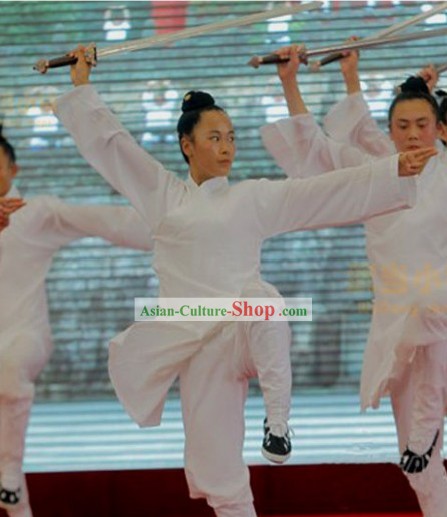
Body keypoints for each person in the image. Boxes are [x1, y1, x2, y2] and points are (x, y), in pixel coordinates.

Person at [53, 45, 433, 517]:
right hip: (193, 339)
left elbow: (318, 192)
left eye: (231, 137)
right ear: (187, 145)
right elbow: (113, 146)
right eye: (214, 137)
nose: (228, 146)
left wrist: (394, 169)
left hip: (243, 325)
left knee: (268, 308)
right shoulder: (162, 195)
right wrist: (82, 84)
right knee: (221, 477)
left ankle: (278, 423)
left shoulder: (250, 197)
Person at [261, 44, 447, 517]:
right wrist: (291, 82)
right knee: (415, 462)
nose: (411, 135)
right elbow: (319, 151)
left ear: (439, 127)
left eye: (421, 124)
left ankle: (426, 431)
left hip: (440, 315)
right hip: (395, 324)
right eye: (401, 126)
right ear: (389, 132)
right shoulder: (376, 172)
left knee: (432, 325)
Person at [0, 126, 153, 517]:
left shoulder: (38, 213)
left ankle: (9, 474)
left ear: (14, 169)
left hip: (23, 334)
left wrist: (174, 231)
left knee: (10, 376)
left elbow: (105, 221)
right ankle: (15, 498)